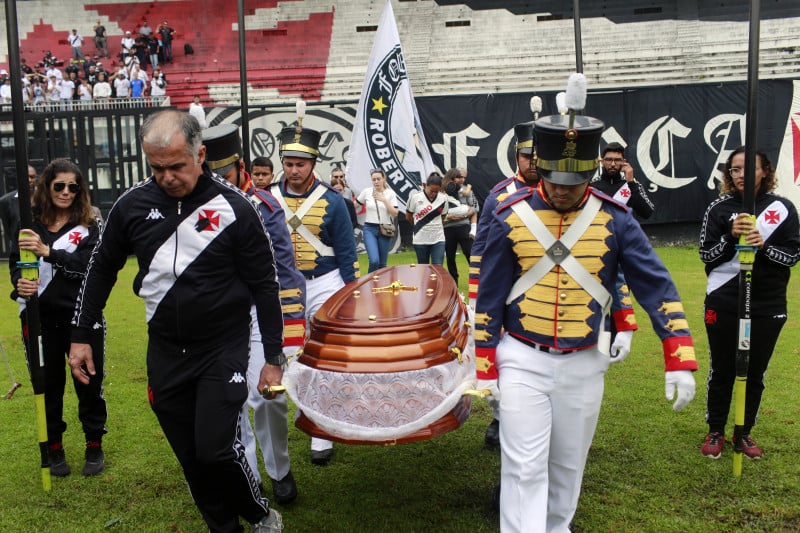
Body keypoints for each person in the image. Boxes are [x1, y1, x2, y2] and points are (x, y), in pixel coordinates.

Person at [473, 110, 697, 532]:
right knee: (523, 466)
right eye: (555, 180)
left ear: (590, 173)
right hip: (523, 356)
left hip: (584, 360)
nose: (561, 191)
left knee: (568, 465)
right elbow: (490, 294)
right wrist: (485, 363)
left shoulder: (616, 218)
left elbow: (657, 286)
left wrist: (679, 356)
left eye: (573, 183)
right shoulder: (510, 214)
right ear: (540, 167)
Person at [67, 110, 284, 532]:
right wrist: (80, 335)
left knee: (215, 449)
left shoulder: (236, 207)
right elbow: (100, 270)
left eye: (176, 166)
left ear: (200, 154)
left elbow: (265, 285)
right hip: (165, 349)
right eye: (156, 167)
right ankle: (225, 528)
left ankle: (259, 514)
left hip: (223, 346)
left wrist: (273, 356)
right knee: (191, 456)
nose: (166, 177)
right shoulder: (131, 205)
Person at [202, 123, 303, 505]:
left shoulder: (265, 206)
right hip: (218, 319)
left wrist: (290, 328)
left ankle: (279, 468)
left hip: (260, 314)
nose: (218, 181)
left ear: (240, 167)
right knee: (231, 399)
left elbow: (285, 268)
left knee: (268, 396)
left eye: (224, 173)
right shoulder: (197, 208)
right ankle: (247, 472)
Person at [267, 120, 359, 466]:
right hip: (281, 287)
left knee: (323, 354)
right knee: (291, 355)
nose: (293, 170)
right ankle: (306, 408)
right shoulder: (266, 199)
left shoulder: (333, 202)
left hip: (325, 282)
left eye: (300, 164)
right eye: (288, 163)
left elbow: (347, 252)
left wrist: (351, 290)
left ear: (313, 163)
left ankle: (321, 428)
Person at [699, 146, 800, 460]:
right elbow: (706, 255)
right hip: (724, 300)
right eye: (735, 169)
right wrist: (731, 238)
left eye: (748, 168)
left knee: (754, 371)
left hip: (767, 303)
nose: (741, 175)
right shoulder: (718, 209)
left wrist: (763, 246)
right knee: (722, 369)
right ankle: (716, 429)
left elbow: (793, 256)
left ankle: (743, 432)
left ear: (765, 171)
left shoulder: (782, 208)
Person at [10, 159, 106, 477]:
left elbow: (89, 269)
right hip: (40, 319)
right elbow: (17, 265)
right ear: (47, 186)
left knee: (88, 383)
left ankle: (94, 445)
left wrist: (49, 252)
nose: (66, 192)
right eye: (59, 185)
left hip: (82, 318)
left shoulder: (90, 226)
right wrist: (20, 283)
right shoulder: (29, 224)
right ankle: (54, 449)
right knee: (49, 386)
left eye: (73, 187)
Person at [355, 169, 399, 272]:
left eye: (378, 179)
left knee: (382, 264)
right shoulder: (367, 192)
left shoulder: (390, 194)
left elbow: (395, 213)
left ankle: (381, 286)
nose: (376, 182)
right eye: (373, 179)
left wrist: (384, 200)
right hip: (370, 228)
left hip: (385, 229)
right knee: (374, 260)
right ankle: (368, 283)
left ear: (383, 179)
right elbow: (354, 205)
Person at [405, 172, 453, 265]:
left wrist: (435, 227)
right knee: (423, 269)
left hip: (438, 239)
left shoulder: (443, 199)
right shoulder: (415, 198)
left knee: (438, 267)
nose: (433, 194)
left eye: (437, 191)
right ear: (425, 186)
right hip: (420, 239)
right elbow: (408, 216)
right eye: (431, 191)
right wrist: (418, 226)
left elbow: (443, 217)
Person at [442, 167, 478, 285]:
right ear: (453, 177)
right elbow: (437, 209)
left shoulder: (467, 190)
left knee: (469, 253)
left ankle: (477, 280)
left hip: (463, 226)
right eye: (459, 177)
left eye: (464, 177)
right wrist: (448, 216)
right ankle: (454, 284)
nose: (462, 179)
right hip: (447, 227)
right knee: (450, 257)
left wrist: (465, 214)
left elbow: (475, 207)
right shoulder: (442, 191)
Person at [0, 165, 37, 254]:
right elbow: (8, 226)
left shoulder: (46, 197)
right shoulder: (6, 201)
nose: (29, 180)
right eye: (25, 177)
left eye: (32, 177)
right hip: (19, 247)